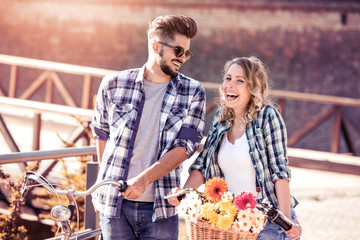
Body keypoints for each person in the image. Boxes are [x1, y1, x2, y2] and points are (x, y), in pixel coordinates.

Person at [90, 15, 206, 240]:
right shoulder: (113, 84)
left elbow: (186, 147)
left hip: (161, 206)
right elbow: (102, 134)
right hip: (114, 205)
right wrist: (100, 186)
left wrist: (143, 179)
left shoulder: (193, 91)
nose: (183, 58)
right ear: (156, 47)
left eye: (187, 53)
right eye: (178, 51)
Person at [167, 57, 302, 239]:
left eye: (240, 81)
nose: (230, 85)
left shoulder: (267, 116)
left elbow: (280, 171)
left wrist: (285, 220)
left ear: (252, 88)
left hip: (268, 222)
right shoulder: (221, 118)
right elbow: (203, 164)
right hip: (233, 221)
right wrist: (183, 192)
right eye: (228, 78)